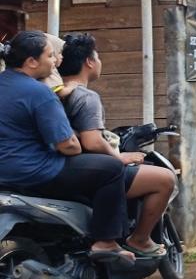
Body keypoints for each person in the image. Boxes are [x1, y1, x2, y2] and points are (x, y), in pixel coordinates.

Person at [0, 31, 134, 264]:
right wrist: (74, 145)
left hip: (5, 174)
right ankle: (105, 242)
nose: (55, 62)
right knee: (111, 168)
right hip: (35, 172)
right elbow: (68, 145)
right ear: (32, 62)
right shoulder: (38, 92)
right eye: (51, 56)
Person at [58, 33, 177, 257]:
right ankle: (139, 240)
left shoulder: (50, 90)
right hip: (84, 170)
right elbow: (92, 142)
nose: (100, 62)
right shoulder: (85, 96)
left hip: (58, 168)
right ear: (89, 62)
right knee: (165, 179)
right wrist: (118, 156)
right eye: (98, 57)